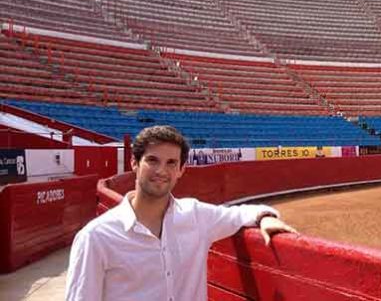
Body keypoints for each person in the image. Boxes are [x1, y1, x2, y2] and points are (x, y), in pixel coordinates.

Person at [66, 125, 297, 301]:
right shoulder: (95, 237)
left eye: (171, 163)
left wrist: (266, 217)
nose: (161, 171)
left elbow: (243, 213)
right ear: (134, 163)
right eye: (152, 160)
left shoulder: (195, 215)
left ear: (181, 170)